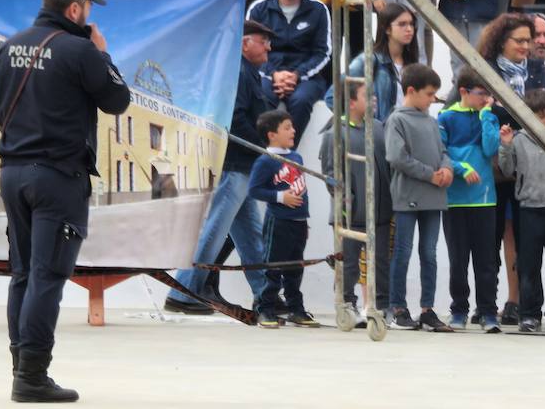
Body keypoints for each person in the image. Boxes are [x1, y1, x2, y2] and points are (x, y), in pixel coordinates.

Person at [0, 0, 130, 402]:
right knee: (47, 277)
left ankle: (23, 369)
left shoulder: (8, 48)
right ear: (75, 9)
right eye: (88, 8)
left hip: (12, 172)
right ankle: (32, 377)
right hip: (57, 177)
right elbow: (118, 100)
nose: (89, 16)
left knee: (23, 275)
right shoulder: (81, 51)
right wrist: (103, 56)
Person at [163, 20, 273, 315]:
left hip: (243, 165)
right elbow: (233, 120)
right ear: (244, 43)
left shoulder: (246, 73)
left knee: (251, 235)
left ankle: (266, 293)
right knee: (213, 230)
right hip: (235, 164)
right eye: (263, 40)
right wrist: (264, 146)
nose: (269, 47)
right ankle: (183, 292)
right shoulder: (238, 73)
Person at [478, 13, 545, 324]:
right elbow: (480, 110)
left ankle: (516, 300)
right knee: (490, 237)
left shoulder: (538, 70)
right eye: (520, 40)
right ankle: (486, 304)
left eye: (530, 39)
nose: (528, 46)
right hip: (494, 166)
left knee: (520, 238)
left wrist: (501, 111)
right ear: (502, 41)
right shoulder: (485, 69)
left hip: (526, 168)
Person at [384, 64, 454, 331]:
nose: (432, 99)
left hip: (433, 197)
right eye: (428, 93)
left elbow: (443, 150)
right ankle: (398, 307)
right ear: (410, 91)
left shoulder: (431, 121)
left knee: (429, 252)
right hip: (408, 196)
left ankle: (427, 309)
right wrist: (430, 175)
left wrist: (446, 168)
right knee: (402, 251)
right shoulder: (397, 120)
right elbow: (397, 157)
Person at [498, 89, 545, 333]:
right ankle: (529, 314)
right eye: (540, 116)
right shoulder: (518, 140)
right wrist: (506, 146)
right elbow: (507, 170)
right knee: (529, 265)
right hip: (529, 209)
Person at [319, 80, 393, 322]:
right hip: (350, 215)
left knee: (380, 262)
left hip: (380, 212)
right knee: (349, 263)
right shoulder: (335, 134)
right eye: (366, 95)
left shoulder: (380, 128)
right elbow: (331, 175)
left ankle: (381, 306)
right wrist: (347, 204)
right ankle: (347, 303)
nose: (373, 99)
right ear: (351, 102)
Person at [438, 67, 501, 332]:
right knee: (458, 260)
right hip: (455, 201)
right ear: (463, 92)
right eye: (481, 94)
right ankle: (459, 310)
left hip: (484, 201)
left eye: (489, 94)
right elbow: (440, 153)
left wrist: (487, 115)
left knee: (486, 261)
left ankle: (488, 312)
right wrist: (462, 168)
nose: (486, 98)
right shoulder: (446, 117)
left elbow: (490, 148)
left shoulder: (488, 115)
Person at [247, 0, 332, 144]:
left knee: (301, 101)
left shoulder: (318, 9)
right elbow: (249, 50)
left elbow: (323, 52)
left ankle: (289, 153)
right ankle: (266, 150)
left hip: (306, 76)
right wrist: (273, 74)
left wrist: (296, 75)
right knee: (262, 96)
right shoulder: (259, 8)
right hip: (267, 72)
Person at [249, 110, 319, 328]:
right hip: (278, 223)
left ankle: (296, 309)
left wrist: (303, 220)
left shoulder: (296, 157)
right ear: (272, 135)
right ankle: (265, 309)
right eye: (287, 127)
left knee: (295, 269)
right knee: (273, 268)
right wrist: (280, 197)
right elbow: (254, 190)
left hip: (298, 223)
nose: (293, 131)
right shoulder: (266, 161)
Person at [324, 2, 419, 122]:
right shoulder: (369, 60)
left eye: (411, 24)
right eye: (402, 24)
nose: (409, 29)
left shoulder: (413, 62)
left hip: (406, 133)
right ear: (387, 29)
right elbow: (332, 97)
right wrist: (364, 124)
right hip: (380, 136)